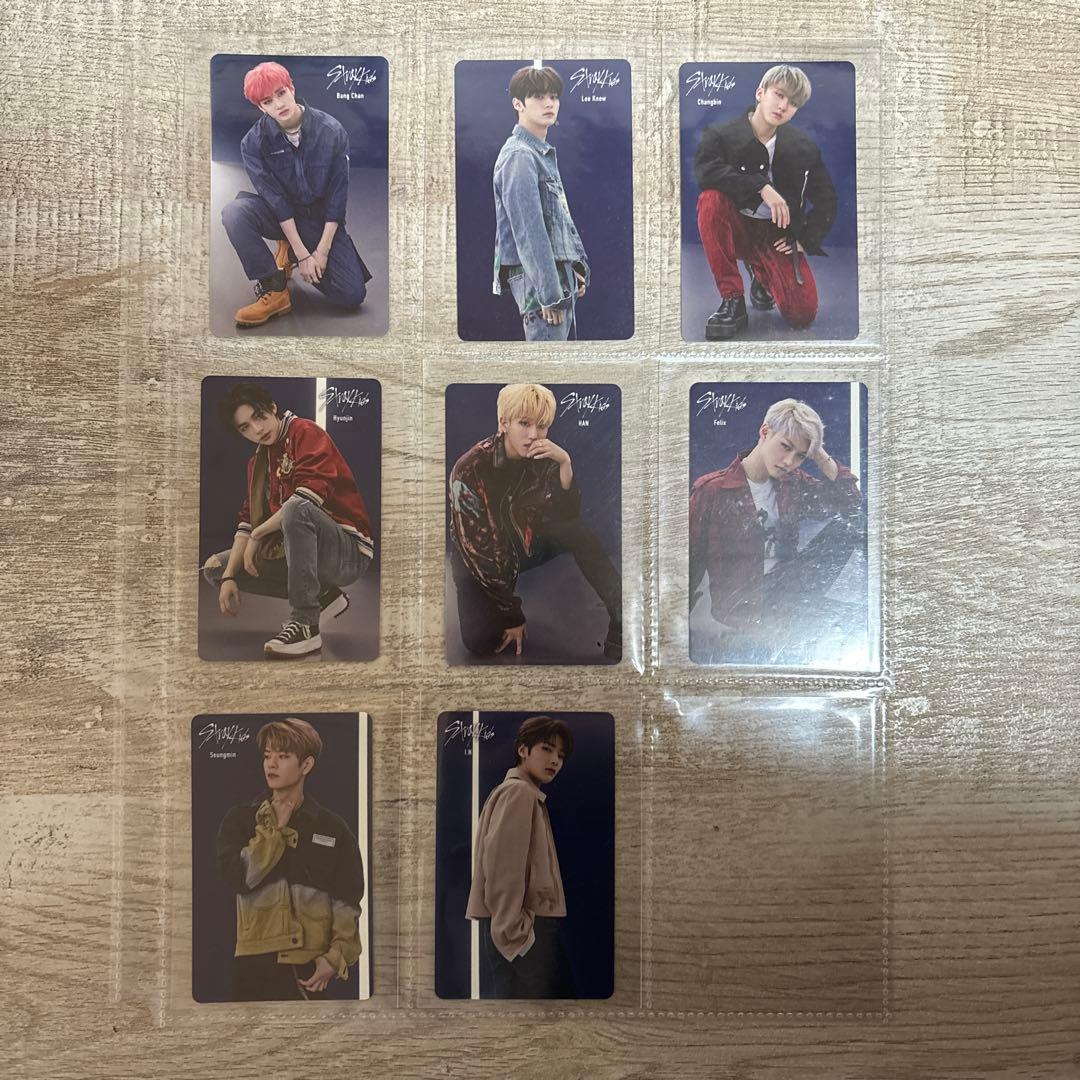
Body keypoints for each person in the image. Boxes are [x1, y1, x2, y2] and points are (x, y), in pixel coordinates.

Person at [448, 383, 621, 661]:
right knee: (481, 644)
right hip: (477, 563)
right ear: (504, 423)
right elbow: (477, 553)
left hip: (522, 543)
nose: (533, 435)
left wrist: (565, 464)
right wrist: (512, 613)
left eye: (541, 426)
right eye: (524, 423)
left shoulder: (544, 456)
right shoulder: (470, 469)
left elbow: (569, 516)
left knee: (578, 532)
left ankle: (620, 611)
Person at [202, 381, 374, 658]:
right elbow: (246, 522)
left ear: (273, 408)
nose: (257, 429)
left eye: (259, 416)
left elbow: (307, 498)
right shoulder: (258, 463)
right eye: (245, 427)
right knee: (216, 568)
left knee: (297, 507)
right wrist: (230, 576)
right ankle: (324, 596)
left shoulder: (305, 432)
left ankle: (306, 624)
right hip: (304, 552)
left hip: (347, 553)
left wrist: (258, 535)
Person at [688, 398, 863, 662]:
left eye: (800, 455)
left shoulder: (791, 483)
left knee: (854, 522)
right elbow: (690, 562)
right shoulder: (713, 490)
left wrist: (817, 452)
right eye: (785, 446)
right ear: (765, 431)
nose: (789, 461)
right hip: (743, 608)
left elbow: (849, 501)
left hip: (788, 591)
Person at [215, 718, 364, 1001]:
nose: (271, 764)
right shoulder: (241, 819)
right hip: (254, 966)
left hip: (312, 968)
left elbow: (348, 899)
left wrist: (335, 958)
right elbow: (239, 877)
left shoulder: (332, 827)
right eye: (267, 756)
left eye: (282, 756)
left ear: (306, 765)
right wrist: (274, 830)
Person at [220, 60, 372, 328]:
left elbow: (337, 199)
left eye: (281, 93)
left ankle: (287, 251)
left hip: (319, 221)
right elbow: (275, 200)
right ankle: (275, 289)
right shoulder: (253, 143)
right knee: (234, 213)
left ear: (291, 88)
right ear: (260, 107)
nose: (278, 104)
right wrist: (303, 255)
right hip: (280, 217)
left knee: (352, 295)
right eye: (267, 101)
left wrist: (321, 252)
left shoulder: (331, 131)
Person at [693, 65, 837, 339]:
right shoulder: (722, 134)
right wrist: (760, 186)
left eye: (793, 103)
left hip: (776, 233)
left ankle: (761, 273)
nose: (783, 106)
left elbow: (827, 199)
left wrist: (806, 238)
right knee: (710, 200)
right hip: (736, 227)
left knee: (802, 314)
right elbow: (705, 173)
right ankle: (732, 300)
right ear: (760, 93)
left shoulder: (803, 146)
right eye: (779, 95)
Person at [466, 716, 576, 998]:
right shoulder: (519, 793)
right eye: (547, 749)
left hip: (517, 927)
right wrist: (516, 936)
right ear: (523, 750)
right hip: (522, 931)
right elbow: (502, 871)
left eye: (561, 755)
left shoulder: (523, 793)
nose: (555, 760)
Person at [492, 65, 589, 341]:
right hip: (543, 287)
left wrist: (573, 268)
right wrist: (550, 295)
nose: (549, 103)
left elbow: (555, 223)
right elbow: (529, 232)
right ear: (518, 104)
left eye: (554, 96)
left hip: (557, 279)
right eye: (538, 96)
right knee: (547, 363)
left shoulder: (538, 153)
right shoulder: (520, 156)